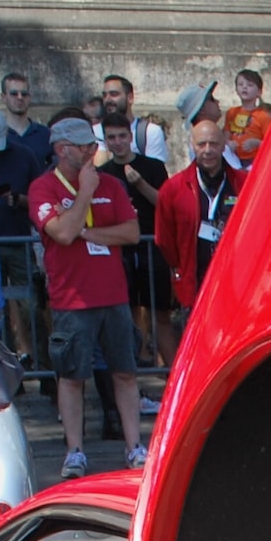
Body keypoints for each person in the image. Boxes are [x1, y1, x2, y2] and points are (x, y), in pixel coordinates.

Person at [29, 115, 144, 477]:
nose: (94, 151)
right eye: (85, 147)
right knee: (72, 377)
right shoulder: (44, 188)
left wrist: (91, 235)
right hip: (72, 299)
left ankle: (135, 446)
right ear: (63, 150)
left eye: (94, 146)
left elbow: (131, 233)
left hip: (113, 296)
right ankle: (74, 450)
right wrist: (85, 194)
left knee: (124, 372)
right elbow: (61, 233)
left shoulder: (111, 181)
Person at [155, 113, 238, 366]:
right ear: (192, 145)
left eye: (213, 143)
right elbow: (164, 238)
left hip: (236, 284)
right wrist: (181, 269)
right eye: (202, 144)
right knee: (198, 352)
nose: (208, 150)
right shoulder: (174, 188)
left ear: (224, 143)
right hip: (196, 283)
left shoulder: (245, 184)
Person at [0, 73, 51, 353]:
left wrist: (20, 200)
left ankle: (42, 367)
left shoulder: (29, 150)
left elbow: (40, 194)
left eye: (24, 93)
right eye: (13, 93)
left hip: (22, 236)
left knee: (30, 305)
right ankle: (6, 366)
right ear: (3, 97)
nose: (19, 98)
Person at [97, 111, 168, 361]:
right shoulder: (102, 174)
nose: (117, 142)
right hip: (121, 250)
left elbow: (166, 205)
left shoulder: (153, 166)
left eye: (122, 136)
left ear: (130, 137)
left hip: (151, 247)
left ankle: (171, 375)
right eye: (111, 137)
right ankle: (132, 371)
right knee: (124, 314)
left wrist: (140, 185)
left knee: (159, 313)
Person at [99, 76, 171, 163]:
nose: (107, 100)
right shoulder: (95, 132)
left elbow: (156, 173)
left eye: (114, 94)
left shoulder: (150, 132)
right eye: (104, 95)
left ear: (130, 98)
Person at [223, 68, 271, 166]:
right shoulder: (231, 112)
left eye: (250, 85)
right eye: (241, 84)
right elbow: (225, 135)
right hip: (234, 158)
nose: (245, 87)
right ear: (236, 89)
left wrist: (257, 143)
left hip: (255, 160)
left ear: (259, 92)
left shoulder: (263, 115)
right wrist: (229, 143)